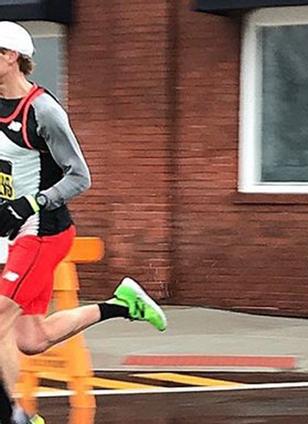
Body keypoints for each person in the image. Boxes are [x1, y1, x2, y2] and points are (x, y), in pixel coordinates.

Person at [0, 21, 168, 424]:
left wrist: (31, 203)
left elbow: (80, 176)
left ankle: (16, 416)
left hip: (42, 232)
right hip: (14, 233)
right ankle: (121, 305)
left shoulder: (43, 111)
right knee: (31, 339)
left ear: (10, 58)